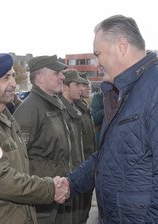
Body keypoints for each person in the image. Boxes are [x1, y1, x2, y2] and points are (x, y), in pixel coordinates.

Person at [67, 14, 158, 223]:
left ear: (121, 46)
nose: (96, 63)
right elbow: (111, 154)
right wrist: (70, 184)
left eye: (98, 54)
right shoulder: (122, 90)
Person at [0, 53, 69, 224]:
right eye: (6, 78)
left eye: (12, 76)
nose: (13, 83)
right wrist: (49, 188)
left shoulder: (5, 117)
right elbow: (1, 180)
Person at [13, 55, 74, 224]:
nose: (62, 77)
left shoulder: (53, 104)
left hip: (58, 194)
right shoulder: (29, 110)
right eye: (56, 73)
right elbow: (17, 160)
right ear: (39, 77)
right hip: (42, 202)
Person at [59, 69, 90, 224]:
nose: (81, 88)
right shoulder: (60, 111)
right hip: (68, 177)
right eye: (76, 84)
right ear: (65, 86)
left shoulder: (77, 108)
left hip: (81, 170)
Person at [73, 73, 96, 223]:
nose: (87, 88)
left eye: (87, 84)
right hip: (80, 164)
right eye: (82, 85)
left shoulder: (84, 106)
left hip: (88, 161)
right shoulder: (73, 109)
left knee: (85, 207)